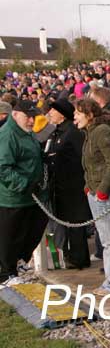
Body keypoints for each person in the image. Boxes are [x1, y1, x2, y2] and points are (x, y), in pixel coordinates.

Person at [75, 98, 110, 295]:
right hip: (96, 191)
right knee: (108, 240)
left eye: (78, 113)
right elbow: (91, 164)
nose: (74, 117)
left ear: (89, 115)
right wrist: (89, 185)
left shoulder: (102, 132)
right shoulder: (91, 132)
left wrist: (102, 189)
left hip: (107, 194)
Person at [0, 101, 48, 285]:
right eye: (27, 116)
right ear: (15, 114)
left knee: (32, 231)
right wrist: (24, 184)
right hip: (13, 198)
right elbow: (3, 167)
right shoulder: (8, 135)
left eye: (33, 116)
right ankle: (7, 273)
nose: (31, 120)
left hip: (31, 196)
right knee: (10, 237)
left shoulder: (25, 133)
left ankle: (18, 264)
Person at [45, 98, 91, 269]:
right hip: (61, 186)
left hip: (74, 185)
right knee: (67, 222)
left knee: (76, 223)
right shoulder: (57, 132)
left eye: (53, 111)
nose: (50, 113)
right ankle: (70, 254)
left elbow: (81, 157)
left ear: (62, 114)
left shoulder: (72, 132)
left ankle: (79, 258)